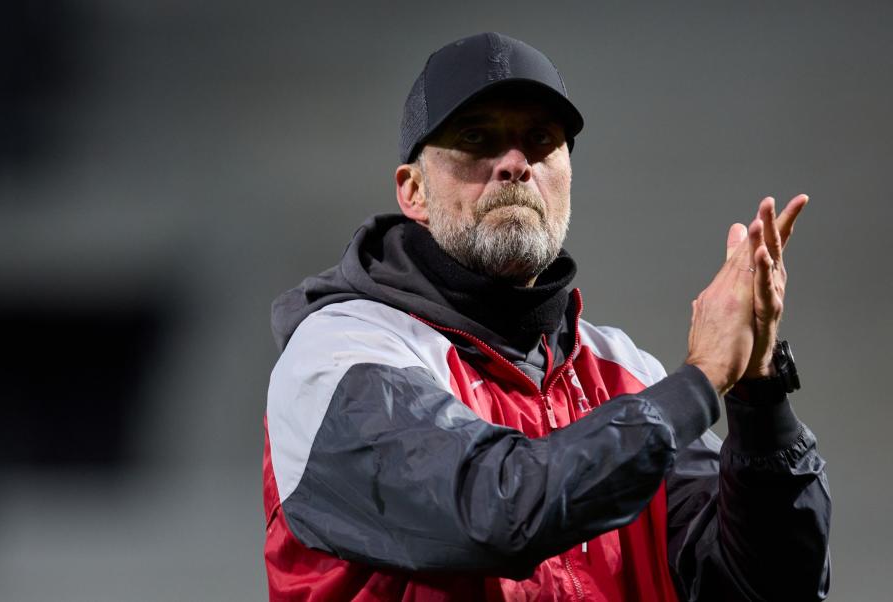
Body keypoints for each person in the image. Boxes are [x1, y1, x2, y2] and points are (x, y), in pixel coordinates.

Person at [262, 32, 830, 601]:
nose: (515, 164)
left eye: (540, 140)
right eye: (477, 139)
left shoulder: (624, 372)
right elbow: (494, 512)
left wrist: (758, 396)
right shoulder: (339, 355)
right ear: (413, 191)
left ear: (565, 178)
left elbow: (763, 588)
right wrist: (704, 379)